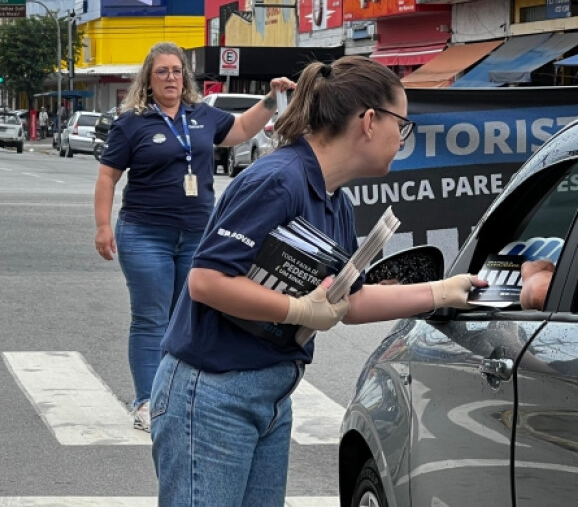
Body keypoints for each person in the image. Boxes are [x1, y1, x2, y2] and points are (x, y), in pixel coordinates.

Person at [150, 56, 485, 507]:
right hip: (212, 393)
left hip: (270, 392)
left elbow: (352, 302)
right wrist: (299, 311)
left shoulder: (335, 201)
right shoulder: (278, 180)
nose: (400, 139)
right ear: (368, 121)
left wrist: (442, 292)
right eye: (400, 125)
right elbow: (207, 281)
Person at [93, 41, 288, 433]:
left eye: (176, 71)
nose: (170, 78)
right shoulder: (132, 122)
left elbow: (240, 130)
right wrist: (102, 227)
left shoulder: (200, 116)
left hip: (198, 236)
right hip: (145, 234)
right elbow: (107, 177)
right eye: (162, 71)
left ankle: (180, 394)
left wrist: (271, 98)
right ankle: (148, 400)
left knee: (190, 317)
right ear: (148, 78)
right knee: (151, 319)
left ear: (186, 77)